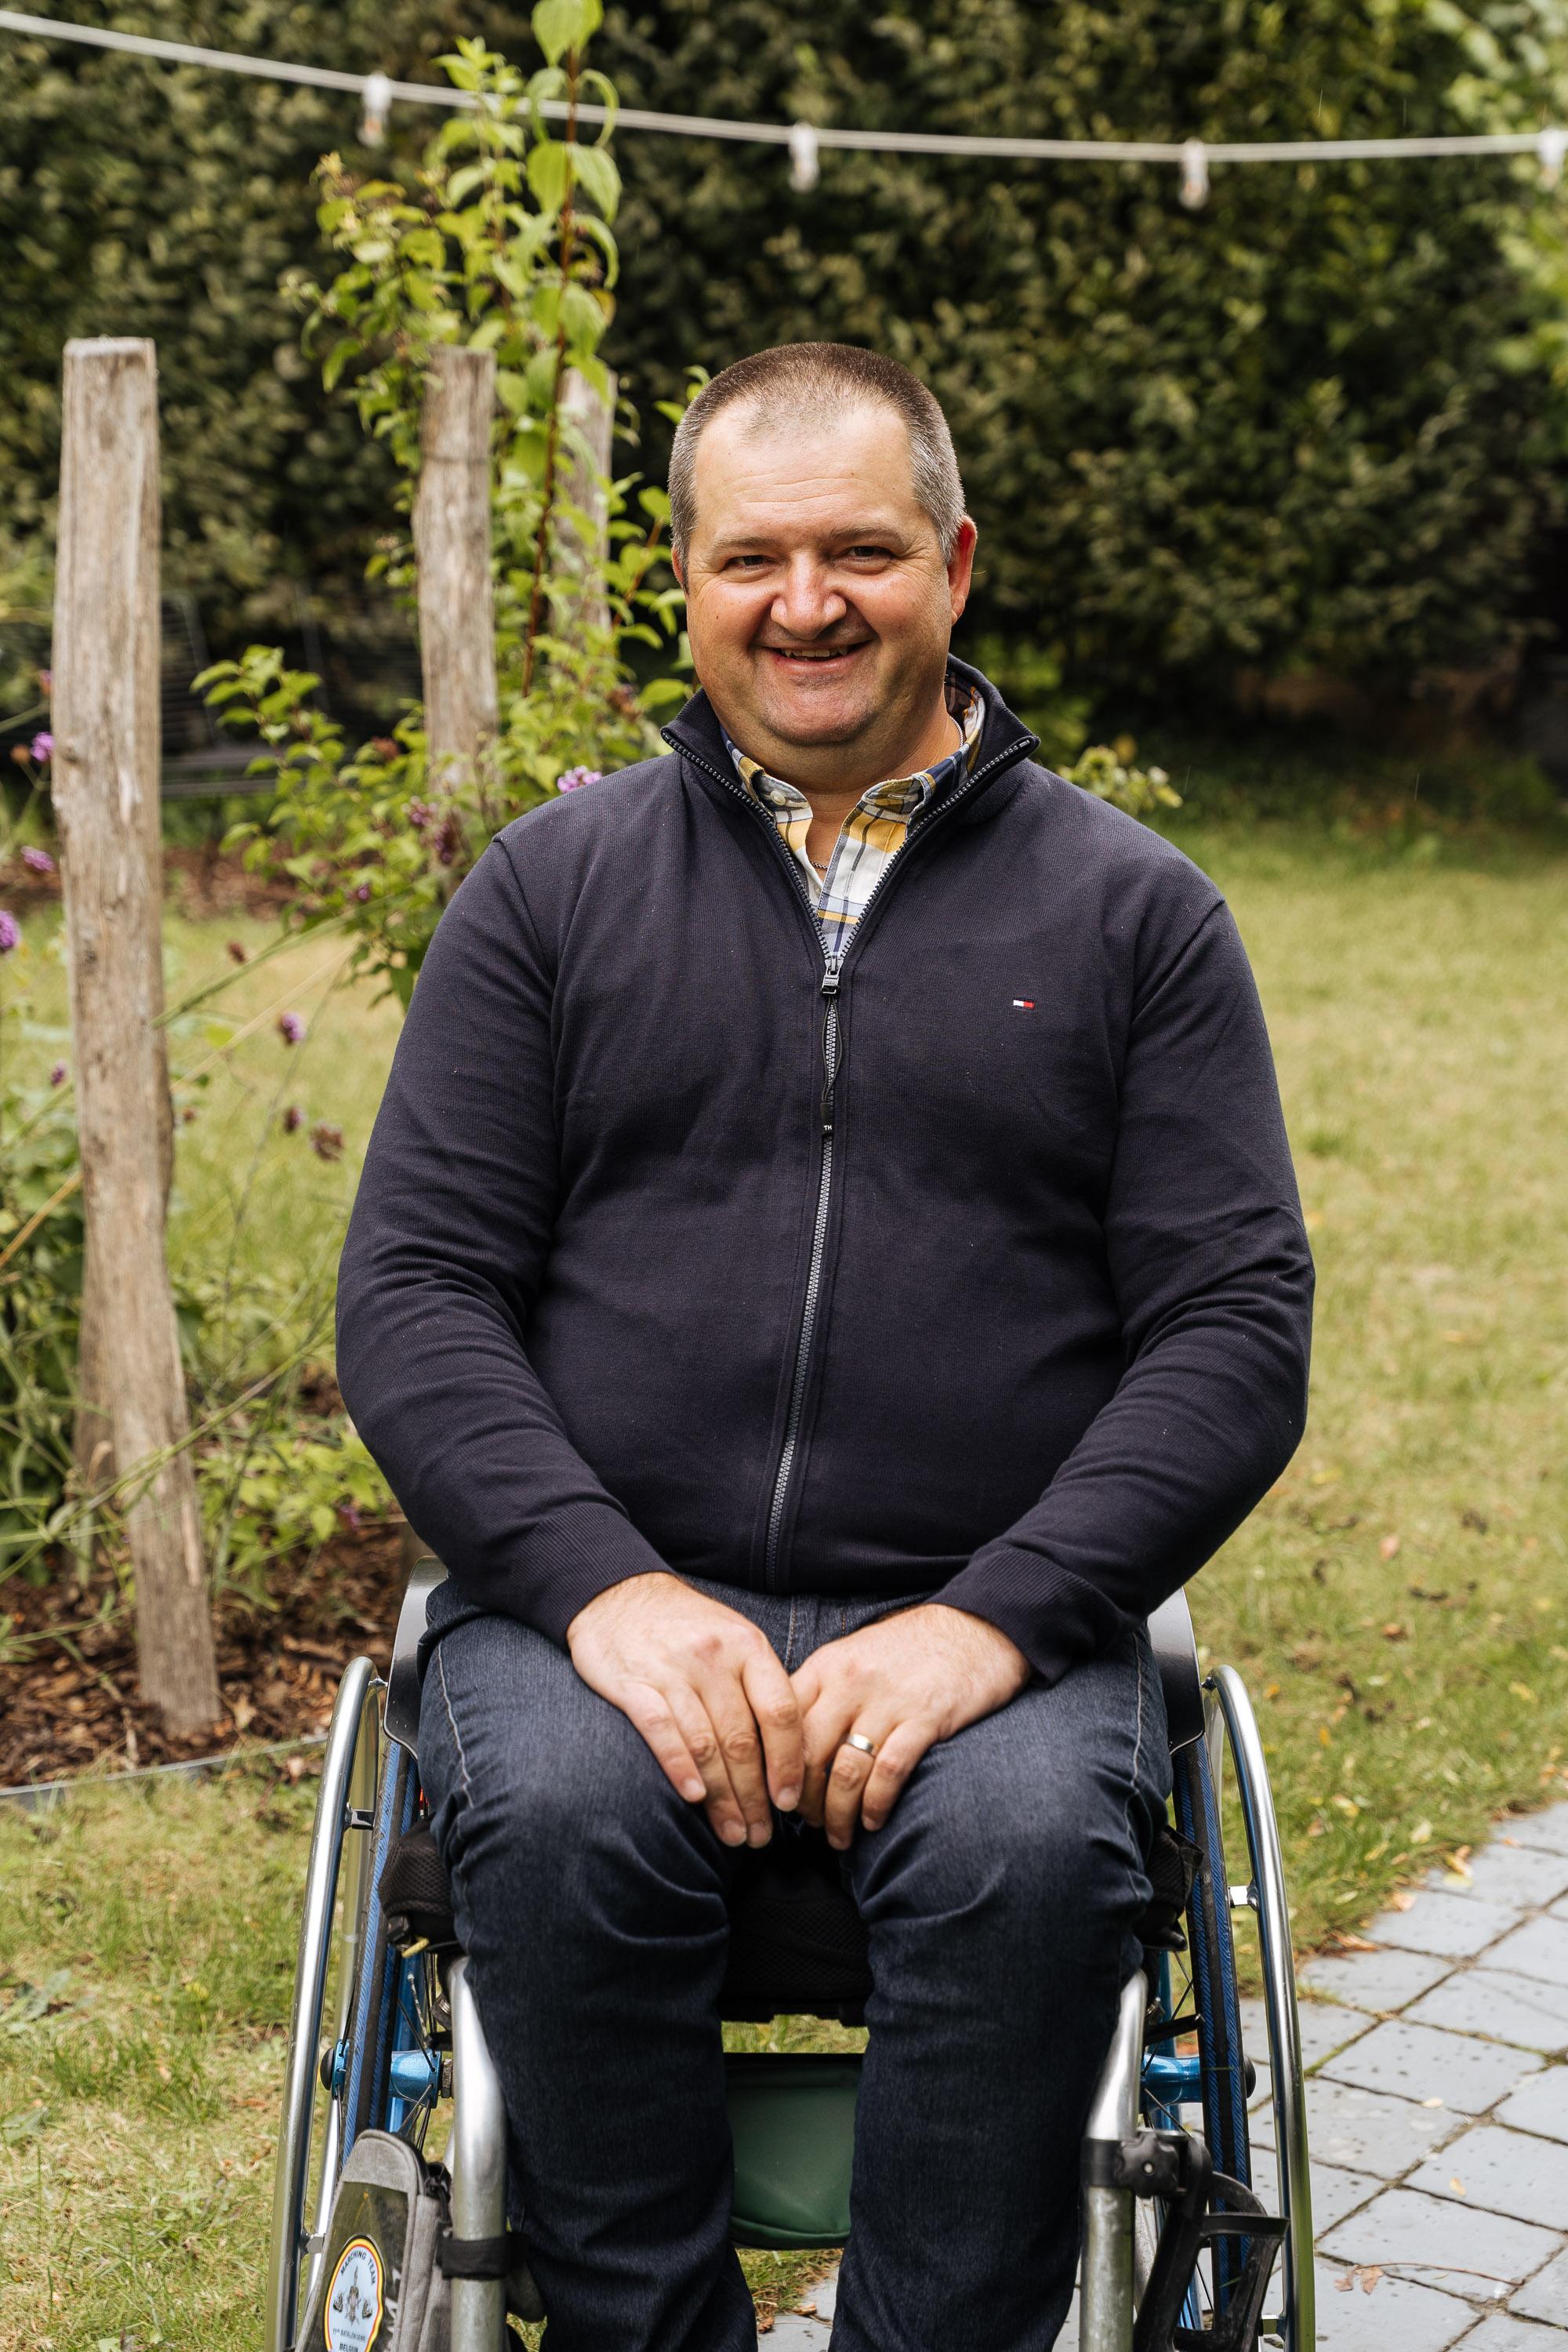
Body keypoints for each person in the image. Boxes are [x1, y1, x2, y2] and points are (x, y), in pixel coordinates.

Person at [336, 341, 1313, 2352]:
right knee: (559, 1817)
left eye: (859, 551)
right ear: (684, 585)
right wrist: (604, 1590)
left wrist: (991, 1621)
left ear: (953, 563)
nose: (805, 605)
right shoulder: (549, 896)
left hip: (986, 1619)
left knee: (1031, 1848)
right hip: (600, 1613)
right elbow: (417, 1290)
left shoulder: (1136, 919)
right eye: (751, 560)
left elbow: (1232, 1329)